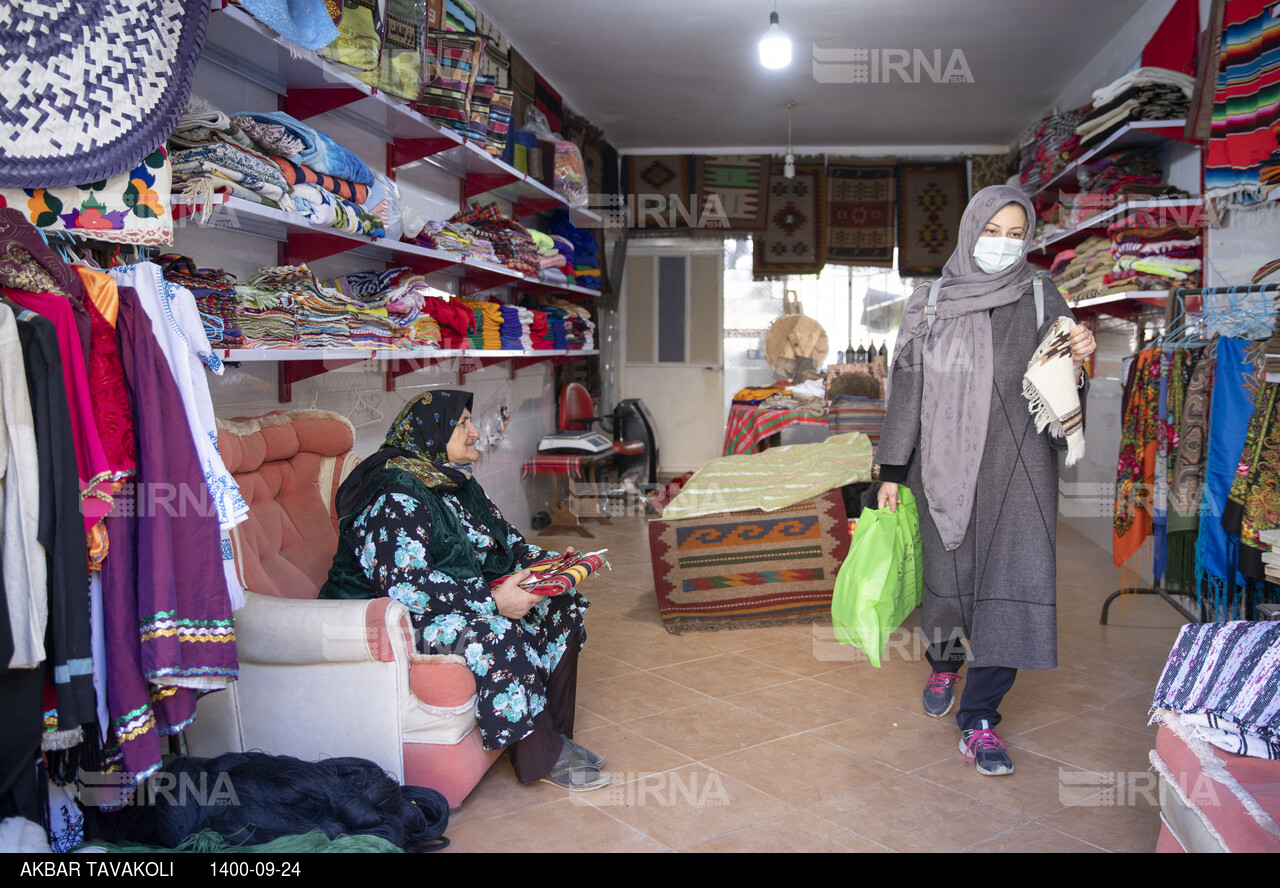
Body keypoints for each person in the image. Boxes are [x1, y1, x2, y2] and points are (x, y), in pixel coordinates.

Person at [874, 185, 1095, 776]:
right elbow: (908, 390)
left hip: (1019, 471)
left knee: (1010, 585)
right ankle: (943, 662)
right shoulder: (932, 300)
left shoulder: (1045, 296)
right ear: (972, 230)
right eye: (992, 230)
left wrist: (1079, 360)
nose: (1003, 243)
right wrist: (893, 471)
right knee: (947, 584)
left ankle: (979, 721)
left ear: (1029, 239)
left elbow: (1061, 392)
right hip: (942, 472)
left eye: (1015, 233)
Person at [319, 389, 609, 792]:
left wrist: (554, 565)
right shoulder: (395, 493)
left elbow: (508, 544)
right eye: (462, 424)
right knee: (496, 632)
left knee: (561, 607)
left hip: (447, 601)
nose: (474, 432)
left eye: (470, 422)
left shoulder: (458, 484)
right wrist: (492, 601)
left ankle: (554, 737)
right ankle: (540, 758)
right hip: (389, 619)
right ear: (431, 433)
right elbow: (407, 586)